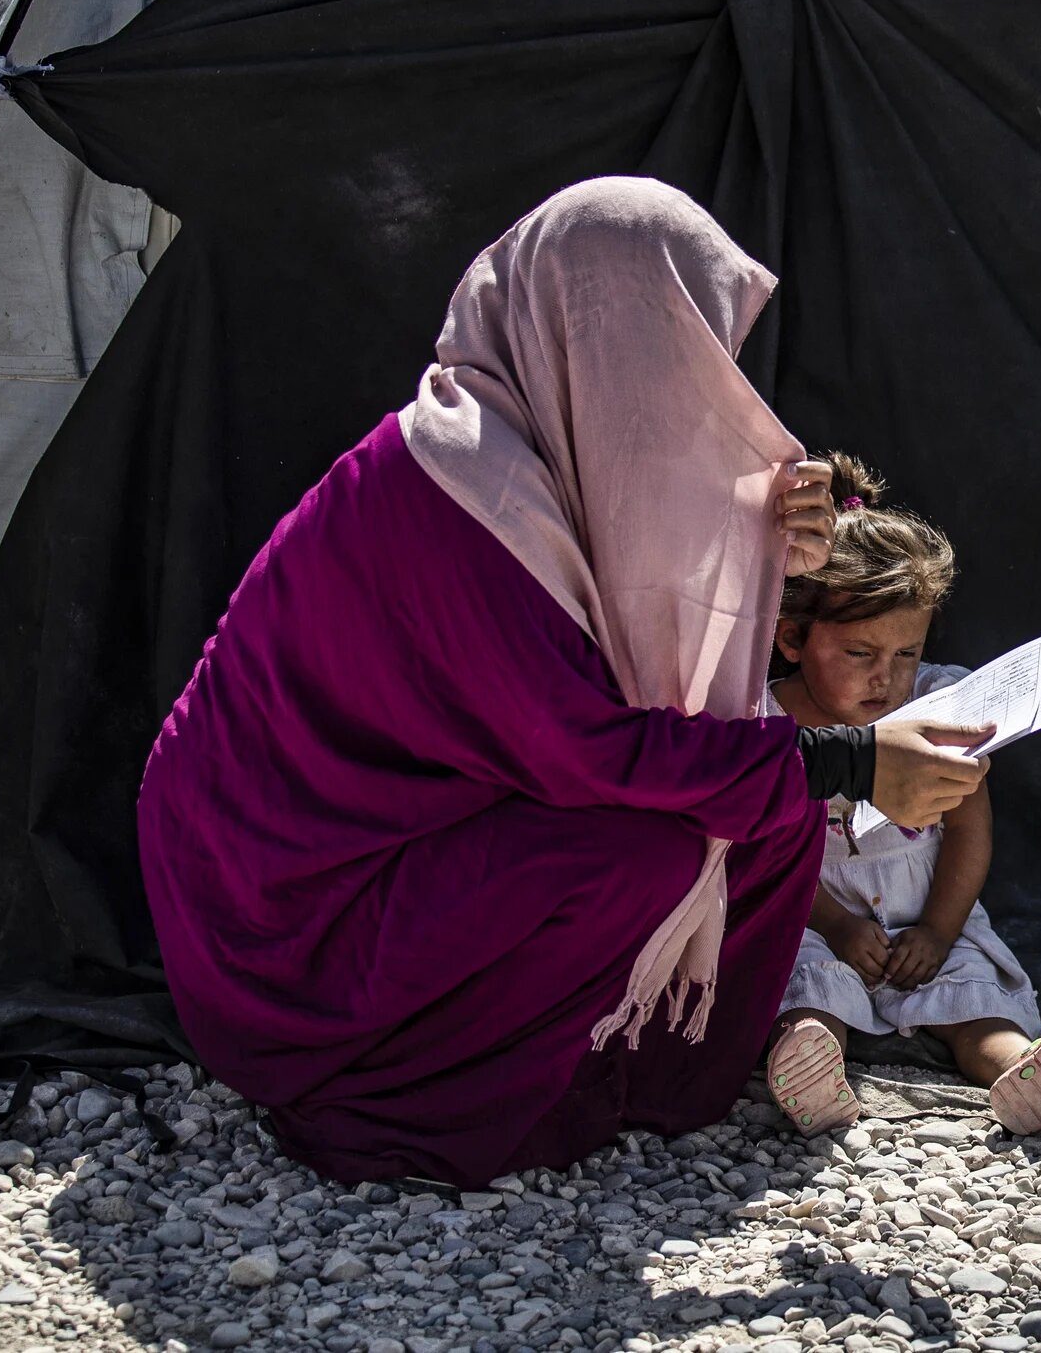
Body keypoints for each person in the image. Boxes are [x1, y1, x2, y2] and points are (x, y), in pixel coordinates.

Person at [137, 178, 996, 1188]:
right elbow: (593, 741)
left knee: (754, 812)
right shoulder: (457, 494)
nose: (697, 385)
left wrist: (780, 556)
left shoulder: (525, 444)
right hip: (289, 914)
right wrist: (848, 755)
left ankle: (641, 1071)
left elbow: (645, 630)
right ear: (591, 336)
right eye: (672, 347)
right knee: (646, 846)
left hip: (410, 835)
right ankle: (408, 1094)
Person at [761, 455, 1041, 1136]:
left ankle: (1027, 1071)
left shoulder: (938, 704)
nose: (888, 677)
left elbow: (967, 831)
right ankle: (814, 1071)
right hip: (815, 923)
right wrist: (838, 926)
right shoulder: (766, 727)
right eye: (861, 653)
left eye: (906, 653)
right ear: (792, 638)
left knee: (973, 1000)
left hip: (929, 920)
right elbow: (764, 856)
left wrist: (937, 929)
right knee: (806, 990)